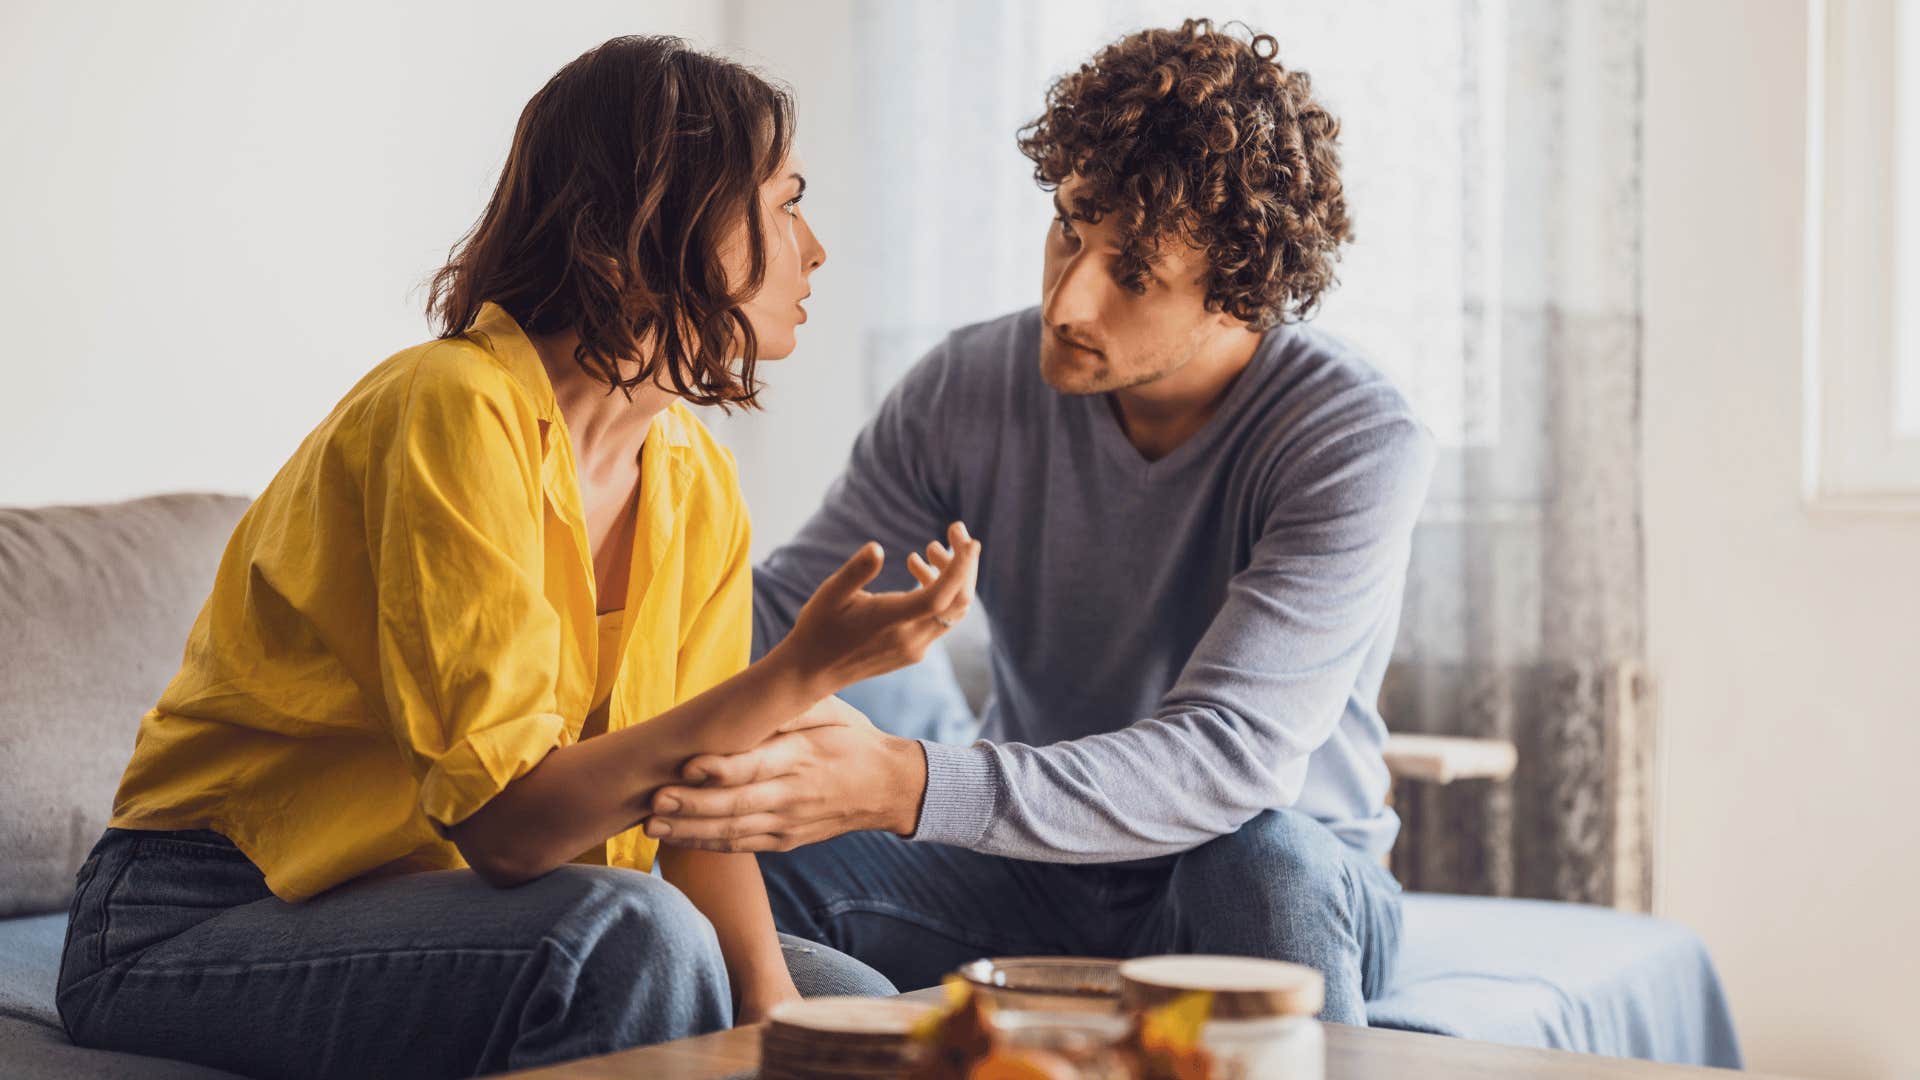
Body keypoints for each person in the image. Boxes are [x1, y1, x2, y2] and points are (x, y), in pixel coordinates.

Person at [56, 35, 978, 1079]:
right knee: (631, 938)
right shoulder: (449, 407)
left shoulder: (694, 478)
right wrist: (800, 674)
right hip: (197, 911)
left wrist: (776, 1021)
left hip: (438, 901)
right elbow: (509, 830)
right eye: (783, 202)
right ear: (654, 218)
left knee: (844, 1003)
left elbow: (697, 812)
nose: (812, 248)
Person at [637, 20, 1434, 1026]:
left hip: (1256, 873)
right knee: (704, 830)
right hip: (1027, 872)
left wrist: (905, 782)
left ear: (1245, 295)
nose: (1067, 299)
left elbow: (1229, 758)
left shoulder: (1354, 434)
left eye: (1133, 272)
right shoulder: (969, 384)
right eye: (1070, 228)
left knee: (1263, 857)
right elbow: (783, 610)